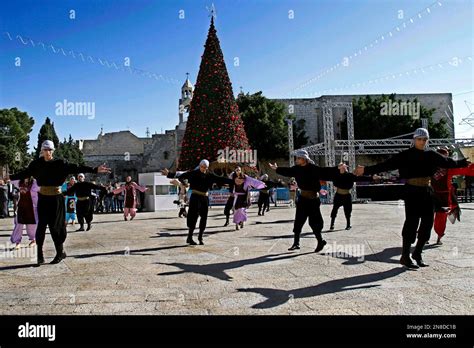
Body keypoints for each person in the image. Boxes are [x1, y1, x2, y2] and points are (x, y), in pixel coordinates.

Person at [355, 128, 470, 269]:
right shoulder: (405, 155)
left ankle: (418, 253)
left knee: (428, 222)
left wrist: (463, 162)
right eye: (419, 139)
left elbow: (447, 162)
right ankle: (405, 256)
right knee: (412, 222)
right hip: (412, 191)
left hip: (427, 191)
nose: (422, 142)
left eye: (425, 139)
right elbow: (385, 165)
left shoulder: (431, 155)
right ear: (414, 140)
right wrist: (366, 170)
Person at [8, 140, 111, 265]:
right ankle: (39, 255)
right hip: (43, 198)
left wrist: (94, 169)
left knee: (55, 227)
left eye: (50, 150)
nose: (48, 152)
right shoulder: (36, 164)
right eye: (45, 149)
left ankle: (60, 252)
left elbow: (76, 167)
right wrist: (9, 178)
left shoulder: (60, 163)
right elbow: (25, 173)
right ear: (42, 150)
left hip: (56, 199)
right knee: (40, 227)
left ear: (53, 151)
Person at [269, 149, 341, 252]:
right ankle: (296, 243)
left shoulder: (313, 168)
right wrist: (277, 169)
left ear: (304, 159)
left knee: (314, 222)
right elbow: (288, 171)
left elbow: (325, 171)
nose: (296, 160)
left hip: (313, 200)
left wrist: (337, 168)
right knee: (298, 221)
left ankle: (320, 241)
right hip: (302, 199)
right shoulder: (297, 169)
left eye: (298, 158)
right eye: (296, 158)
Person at [163, 160, 233, 245]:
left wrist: (234, 181)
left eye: (205, 167)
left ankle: (200, 237)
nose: (203, 169)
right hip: (195, 197)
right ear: (200, 166)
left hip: (204, 198)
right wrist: (174, 176)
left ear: (207, 167)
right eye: (202, 167)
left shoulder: (209, 175)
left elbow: (220, 179)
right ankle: (190, 237)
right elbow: (182, 176)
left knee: (204, 217)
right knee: (193, 217)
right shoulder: (194, 173)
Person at [431, 148, 474, 244]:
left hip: (442, 195)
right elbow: (465, 170)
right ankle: (433, 236)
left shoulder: (447, 167)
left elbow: (464, 169)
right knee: (436, 217)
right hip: (435, 194)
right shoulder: (433, 167)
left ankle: (437, 236)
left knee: (438, 216)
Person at [10, 177, 39, 249]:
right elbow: (11, 179)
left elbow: (42, 188)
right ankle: (17, 242)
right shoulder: (19, 182)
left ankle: (33, 240)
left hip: (32, 207)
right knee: (19, 224)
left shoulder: (35, 183)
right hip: (21, 207)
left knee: (32, 225)